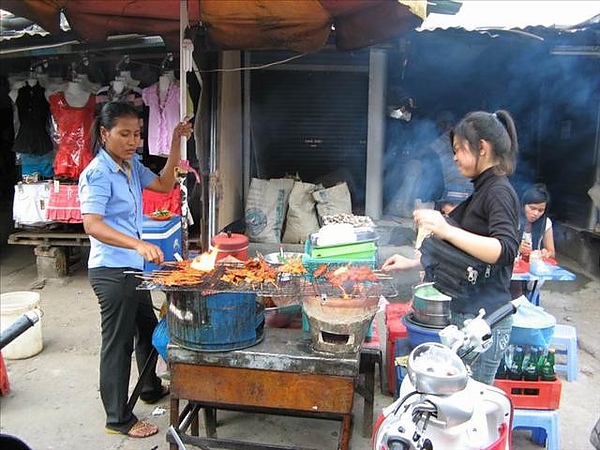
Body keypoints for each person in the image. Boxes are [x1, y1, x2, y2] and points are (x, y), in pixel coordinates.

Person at [78, 101, 192, 438]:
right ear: (104, 133)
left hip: (132, 269)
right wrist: (137, 244)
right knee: (118, 343)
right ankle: (118, 418)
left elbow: (165, 185)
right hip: (111, 272)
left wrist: (174, 141)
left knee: (147, 329)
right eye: (124, 134)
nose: (133, 141)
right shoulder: (97, 174)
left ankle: (150, 387)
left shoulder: (131, 166)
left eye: (137, 134)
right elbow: (92, 225)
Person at [382, 110, 520, 385]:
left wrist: (446, 228)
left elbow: (504, 250)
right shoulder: (481, 191)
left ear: (482, 147)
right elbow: (459, 252)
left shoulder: (499, 192)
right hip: (468, 317)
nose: (454, 157)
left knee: (468, 411)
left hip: (483, 324)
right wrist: (412, 262)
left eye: (458, 149)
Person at [518, 183, 555, 260]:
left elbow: (552, 253)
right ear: (523, 205)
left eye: (541, 210)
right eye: (532, 208)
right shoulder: (512, 219)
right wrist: (516, 248)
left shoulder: (546, 223)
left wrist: (546, 253)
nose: (536, 214)